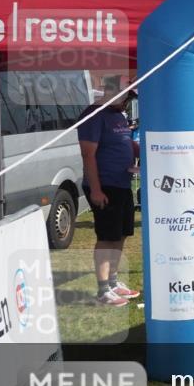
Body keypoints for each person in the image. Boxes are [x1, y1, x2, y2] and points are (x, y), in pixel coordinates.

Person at [77, 81, 140, 307]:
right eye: (127, 97)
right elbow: (88, 154)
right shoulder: (94, 116)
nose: (128, 103)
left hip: (122, 182)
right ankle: (103, 290)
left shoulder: (118, 115)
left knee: (121, 234)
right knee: (107, 237)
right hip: (105, 185)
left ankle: (113, 282)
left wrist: (147, 150)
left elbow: (126, 142)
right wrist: (96, 189)